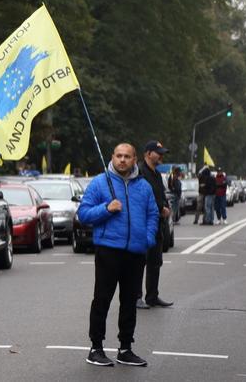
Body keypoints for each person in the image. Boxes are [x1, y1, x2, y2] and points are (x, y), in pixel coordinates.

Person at [78, 143, 159, 367]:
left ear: (135, 160)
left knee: (129, 301)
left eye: (127, 157)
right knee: (102, 299)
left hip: (135, 252)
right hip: (108, 250)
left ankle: (125, 348)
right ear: (112, 157)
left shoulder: (143, 186)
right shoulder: (99, 182)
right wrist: (106, 208)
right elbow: (83, 214)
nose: (122, 160)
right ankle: (96, 348)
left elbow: (153, 214)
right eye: (119, 156)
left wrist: (148, 239)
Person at [136, 141, 174, 310]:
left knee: (155, 261)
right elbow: (141, 197)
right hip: (143, 224)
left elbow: (160, 194)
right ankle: (136, 297)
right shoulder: (139, 172)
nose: (161, 156)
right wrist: (160, 208)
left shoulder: (157, 174)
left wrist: (166, 207)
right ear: (148, 153)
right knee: (140, 262)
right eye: (158, 152)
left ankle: (152, 296)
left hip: (157, 223)